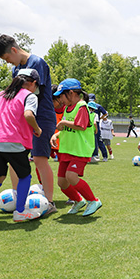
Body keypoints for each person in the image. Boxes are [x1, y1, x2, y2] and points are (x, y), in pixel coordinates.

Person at [0, 34, 57, 214]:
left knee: (39, 159)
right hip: (22, 119)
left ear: (14, 50)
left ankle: (50, 203)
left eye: (7, 58)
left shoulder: (37, 63)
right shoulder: (16, 70)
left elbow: (32, 93)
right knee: (14, 159)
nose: (8, 63)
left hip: (41, 117)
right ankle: (19, 199)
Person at [0, 69, 43, 223]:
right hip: (14, 142)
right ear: (33, 83)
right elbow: (28, 115)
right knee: (25, 175)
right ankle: (20, 212)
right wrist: (37, 129)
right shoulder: (29, 95)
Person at [51, 79, 103, 216]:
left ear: (71, 93)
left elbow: (80, 125)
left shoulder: (82, 106)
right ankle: (78, 200)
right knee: (62, 182)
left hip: (79, 151)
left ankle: (93, 201)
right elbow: (69, 128)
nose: (60, 99)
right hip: (67, 150)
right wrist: (57, 135)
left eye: (61, 95)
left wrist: (62, 122)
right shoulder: (68, 108)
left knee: (71, 176)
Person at [88, 95, 109, 162]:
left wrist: (99, 118)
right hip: (93, 124)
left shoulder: (95, 106)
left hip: (92, 125)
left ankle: (101, 155)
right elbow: (105, 113)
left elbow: (105, 113)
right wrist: (100, 118)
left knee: (96, 141)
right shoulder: (96, 106)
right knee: (96, 141)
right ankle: (97, 156)